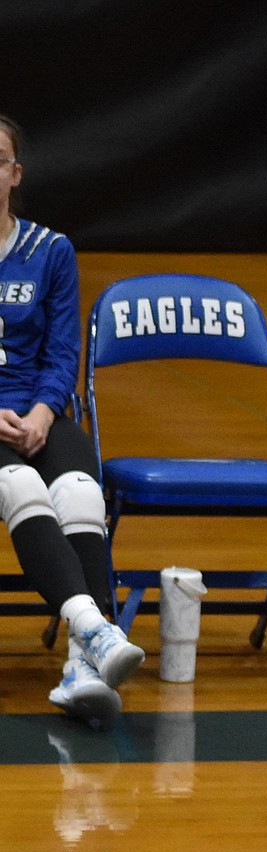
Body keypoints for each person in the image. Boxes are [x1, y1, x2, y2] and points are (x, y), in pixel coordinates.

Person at [0, 113, 143, 728]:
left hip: (39, 410)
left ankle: (83, 670)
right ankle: (96, 631)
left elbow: (62, 354)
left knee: (81, 491)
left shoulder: (50, 250)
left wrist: (41, 412)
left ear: (14, 173)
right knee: (23, 487)